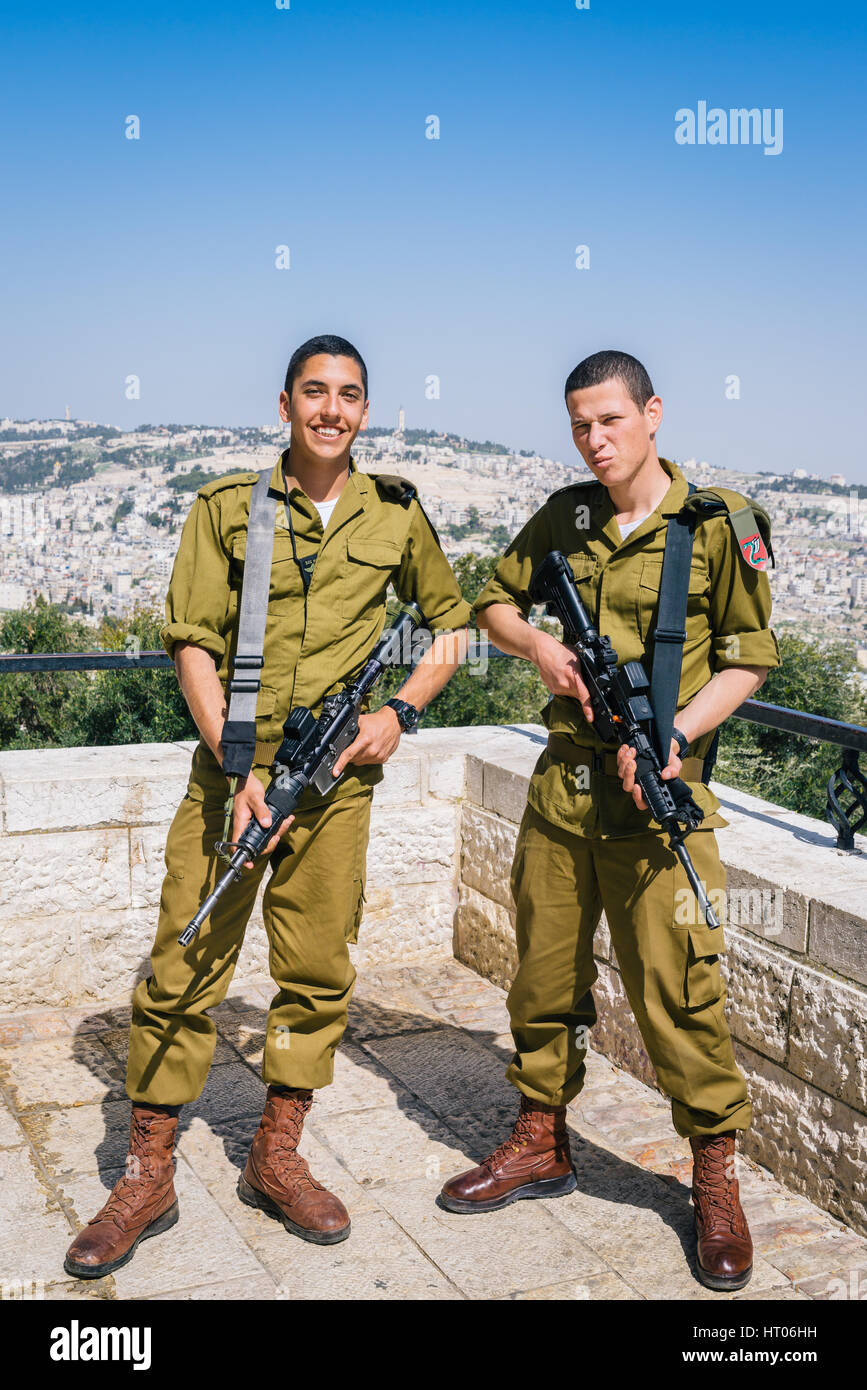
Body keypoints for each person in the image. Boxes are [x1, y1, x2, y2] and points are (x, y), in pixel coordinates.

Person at [65, 334, 471, 1277]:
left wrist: (399, 713)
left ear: (365, 411)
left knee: (316, 971)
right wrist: (238, 764)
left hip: (334, 789)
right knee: (183, 965)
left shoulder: (396, 513)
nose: (332, 410)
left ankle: (275, 1156)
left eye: (349, 395)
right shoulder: (225, 508)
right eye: (314, 392)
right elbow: (193, 645)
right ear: (284, 404)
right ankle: (146, 1174)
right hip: (232, 779)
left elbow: (451, 626)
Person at [439, 349, 781, 1292]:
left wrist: (674, 733)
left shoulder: (719, 524)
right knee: (542, 977)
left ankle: (713, 1178)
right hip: (563, 792)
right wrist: (539, 648)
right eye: (579, 425)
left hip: (658, 799)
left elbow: (749, 659)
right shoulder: (568, 516)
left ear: (652, 413)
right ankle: (539, 1138)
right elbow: (491, 601)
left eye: (610, 420)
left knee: (678, 995)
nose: (594, 439)